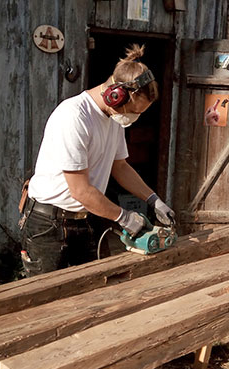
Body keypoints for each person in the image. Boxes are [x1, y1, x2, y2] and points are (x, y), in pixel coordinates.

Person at [19, 44, 175, 276]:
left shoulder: (114, 118)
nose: (133, 117)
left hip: (85, 220)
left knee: (93, 293)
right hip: (48, 225)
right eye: (133, 111)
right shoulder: (74, 116)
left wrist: (153, 200)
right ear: (115, 95)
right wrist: (124, 217)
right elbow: (80, 190)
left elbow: (120, 166)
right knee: (48, 303)